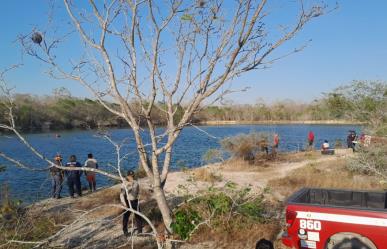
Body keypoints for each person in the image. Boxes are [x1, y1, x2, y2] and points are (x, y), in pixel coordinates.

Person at [120, 170, 142, 236]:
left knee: (138, 216)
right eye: (130, 176)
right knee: (126, 217)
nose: (131, 177)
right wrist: (124, 204)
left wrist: (138, 199)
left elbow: (138, 192)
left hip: (135, 201)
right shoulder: (124, 184)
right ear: (127, 176)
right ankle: (125, 231)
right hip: (127, 201)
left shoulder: (136, 183)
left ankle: (140, 231)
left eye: (132, 176)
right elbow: (121, 195)